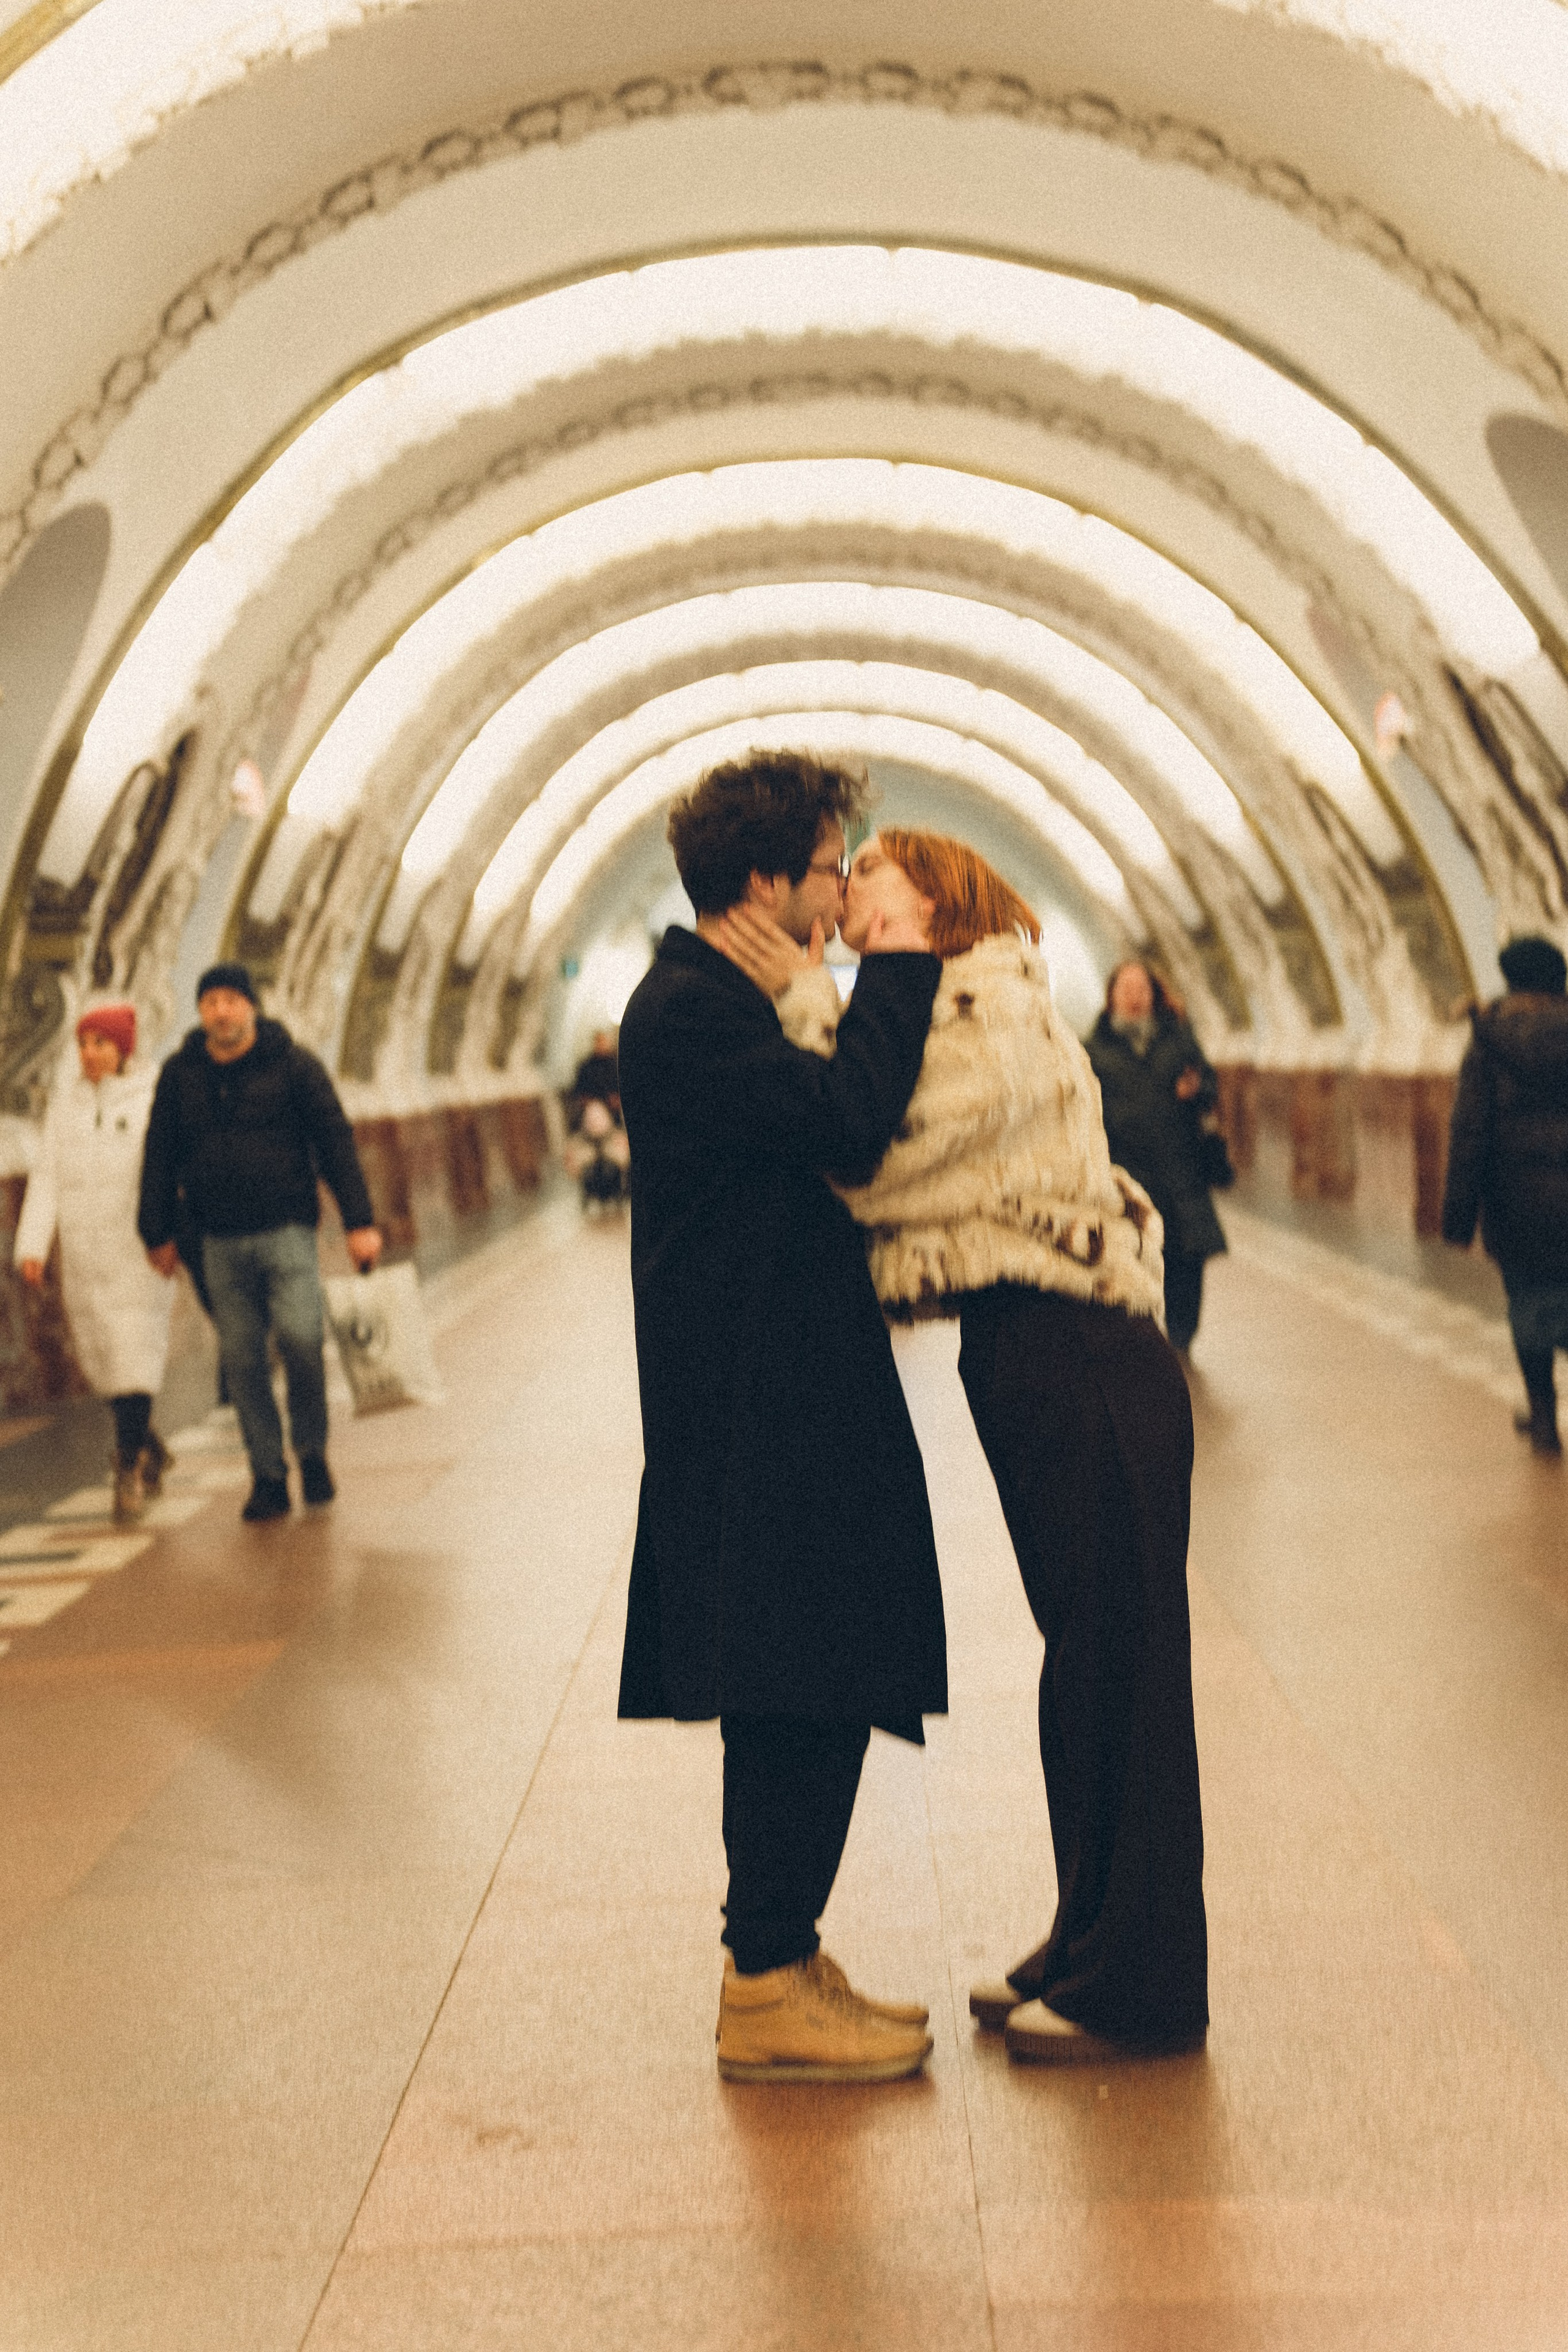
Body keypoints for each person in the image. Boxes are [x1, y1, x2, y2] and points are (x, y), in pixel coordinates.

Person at [722, 829, 1208, 2061]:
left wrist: (788, 1008)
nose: (844, 918)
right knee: (1085, 1664)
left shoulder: (981, 1008)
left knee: (1119, 1673)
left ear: (933, 897)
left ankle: (1137, 1991)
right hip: (1035, 1348)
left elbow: (870, 1167)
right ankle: (1089, 1934)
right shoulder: (957, 1002)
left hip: (1082, 1354)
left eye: (868, 893)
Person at [616, 752, 946, 2086]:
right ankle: (761, 1975)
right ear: (763, 877)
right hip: (754, 1409)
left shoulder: (737, 1001)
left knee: (816, 1671)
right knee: (786, 1678)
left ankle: (783, 1951)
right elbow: (848, 1124)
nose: (837, 897)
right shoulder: (690, 1010)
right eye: (827, 870)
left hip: (785, 1393)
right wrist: (905, 967)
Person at [137, 962, 382, 1521]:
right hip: (217, 1239)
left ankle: (312, 1452)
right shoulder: (180, 1075)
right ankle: (268, 1475)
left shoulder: (294, 1065)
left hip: (288, 1230)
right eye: (210, 1001)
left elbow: (334, 1140)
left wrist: (359, 1222)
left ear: (251, 1007)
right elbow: (160, 1153)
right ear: (200, 1012)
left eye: (231, 999)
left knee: (301, 1338)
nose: (221, 1011)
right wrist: (156, 1231)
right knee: (242, 1359)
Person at [15, 1003, 176, 1525]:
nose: (89, 1054)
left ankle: (127, 1468)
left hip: (140, 1253)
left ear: (123, 1049)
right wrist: (33, 1245)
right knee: (105, 1362)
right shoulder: (65, 1107)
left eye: (100, 1044)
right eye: (83, 1044)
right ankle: (150, 1445)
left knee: (134, 1357)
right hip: (87, 1256)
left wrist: (171, 1234)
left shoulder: (152, 1099)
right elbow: (47, 1178)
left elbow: (170, 1173)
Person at [1442, 933, 1568, 1458]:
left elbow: (1470, 1132)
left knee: (1530, 1303)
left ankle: (1543, 1417)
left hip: (1516, 1203)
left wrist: (1457, 1217)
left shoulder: (1489, 1042)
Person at [1084, 960, 1227, 1354]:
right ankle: (1146, 1341)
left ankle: (1181, 1339)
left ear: (1154, 995)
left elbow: (1210, 1086)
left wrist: (1195, 1089)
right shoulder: (1093, 1050)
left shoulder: (1179, 1040)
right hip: (1127, 1176)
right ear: (1111, 996)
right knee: (1134, 1255)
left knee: (1185, 1258)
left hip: (1181, 1170)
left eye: (1142, 989)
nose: (1134, 996)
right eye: (1126, 989)